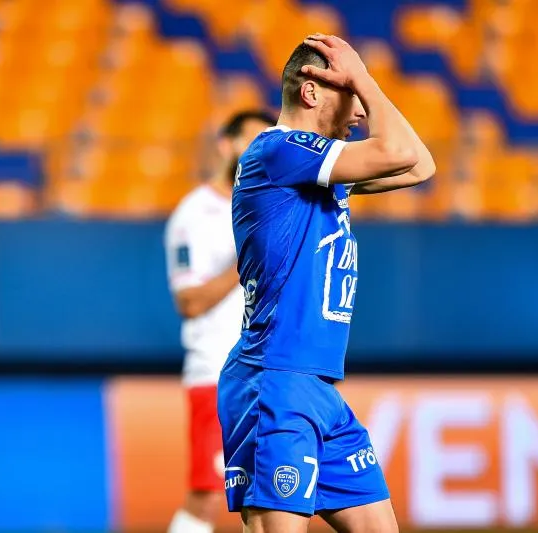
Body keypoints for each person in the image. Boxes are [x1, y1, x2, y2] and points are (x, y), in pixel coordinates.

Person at [217, 34, 435, 533]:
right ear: (311, 91)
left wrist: (362, 79)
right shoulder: (278, 151)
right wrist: (363, 77)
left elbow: (420, 163)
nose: (359, 110)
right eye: (350, 94)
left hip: (317, 386)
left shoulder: (317, 169)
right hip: (275, 378)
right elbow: (398, 150)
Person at [164, 110, 277, 533]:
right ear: (225, 144)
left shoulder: (267, 205)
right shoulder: (195, 214)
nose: (258, 151)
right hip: (217, 372)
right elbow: (189, 301)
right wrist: (246, 259)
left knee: (269, 494)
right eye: (250, 140)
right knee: (208, 494)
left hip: (267, 371)